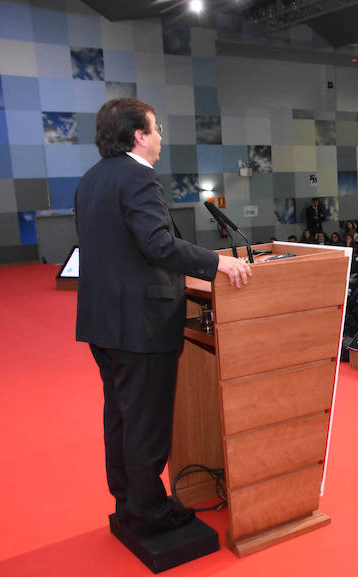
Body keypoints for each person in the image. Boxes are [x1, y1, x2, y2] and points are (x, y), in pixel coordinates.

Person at [76, 98, 252, 536]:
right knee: (146, 422)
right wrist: (217, 262)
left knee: (120, 416)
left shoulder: (92, 179)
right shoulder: (138, 177)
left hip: (104, 322)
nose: (160, 138)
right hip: (142, 324)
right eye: (156, 129)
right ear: (139, 136)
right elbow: (156, 244)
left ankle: (128, 500)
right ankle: (151, 512)